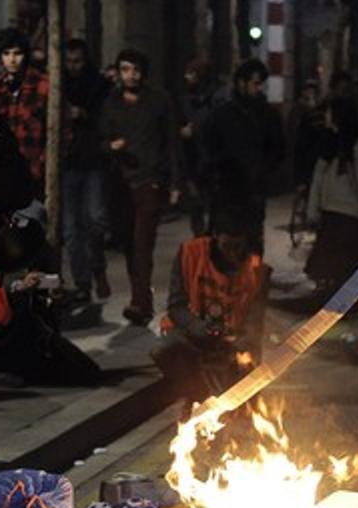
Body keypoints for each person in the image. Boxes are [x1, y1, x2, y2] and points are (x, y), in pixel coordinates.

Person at [152, 203, 267, 405]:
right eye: (227, 247)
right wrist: (198, 327)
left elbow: (255, 319)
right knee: (165, 350)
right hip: (195, 333)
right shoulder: (190, 253)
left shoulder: (255, 267)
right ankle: (199, 399)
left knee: (250, 364)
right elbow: (176, 306)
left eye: (238, 248)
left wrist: (242, 341)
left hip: (234, 339)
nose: (232, 254)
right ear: (215, 237)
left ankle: (243, 411)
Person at [98, 47, 181, 325]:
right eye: (125, 69)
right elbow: (99, 140)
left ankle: (140, 302)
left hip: (150, 179)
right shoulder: (111, 102)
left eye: (135, 69)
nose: (130, 75)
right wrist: (111, 147)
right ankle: (142, 295)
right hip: (120, 183)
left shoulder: (159, 101)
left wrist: (175, 181)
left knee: (143, 243)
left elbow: (171, 142)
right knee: (128, 243)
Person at [199, 58, 285, 251]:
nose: (259, 88)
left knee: (253, 239)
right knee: (226, 240)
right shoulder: (221, 115)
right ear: (241, 83)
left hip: (254, 188)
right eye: (255, 83)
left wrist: (264, 171)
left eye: (260, 83)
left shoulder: (267, 115)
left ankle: (251, 278)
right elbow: (208, 148)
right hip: (226, 188)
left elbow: (277, 148)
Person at [305, 97, 358, 299]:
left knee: (346, 268)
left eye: (329, 112)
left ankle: (346, 303)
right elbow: (317, 180)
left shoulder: (355, 145)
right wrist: (313, 210)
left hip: (349, 216)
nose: (326, 116)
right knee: (329, 266)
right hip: (330, 213)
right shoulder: (327, 141)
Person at [61, 38, 112, 302]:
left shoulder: (98, 85)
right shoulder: (59, 84)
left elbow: (106, 118)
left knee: (95, 220)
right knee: (71, 230)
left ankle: (97, 268)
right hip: (68, 162)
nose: (73, 67)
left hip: (92, 160)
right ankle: (83, 282)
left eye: (77, 61)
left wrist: (84, 115)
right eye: (68, 61)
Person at [0, 28, 49, 190]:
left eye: (17, 53)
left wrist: (45, 160)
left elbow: (62, 128)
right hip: (5, 171)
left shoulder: (43, 85)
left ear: (25, 55)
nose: (12, 60)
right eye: (6, 54)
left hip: (36, 171)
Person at [179, 56, 221, 236]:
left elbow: (216, 127)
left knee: (212, 203)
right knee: (195, 203)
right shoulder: (184, 101)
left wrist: (195, 130)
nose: (187, 77)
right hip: (192, 159)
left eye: (191, 74)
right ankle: (200, 241)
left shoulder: (216, 100)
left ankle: (210, 238)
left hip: (211, 159)